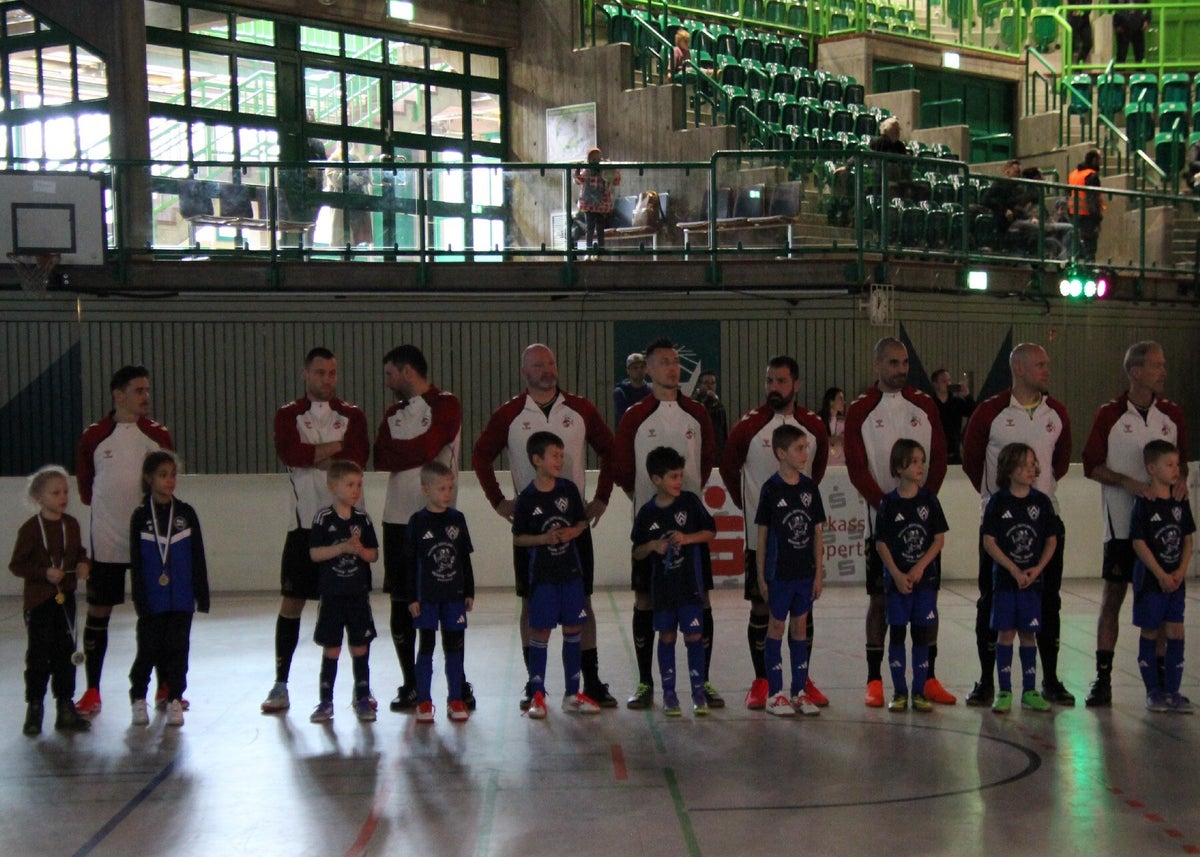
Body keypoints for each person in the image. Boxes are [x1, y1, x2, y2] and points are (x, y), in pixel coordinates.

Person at [472, 343, 617, 710]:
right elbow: (480, 455)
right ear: (525, 372)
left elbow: (611, 450)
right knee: (530, 603)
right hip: (533, 530)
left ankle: (590, 681)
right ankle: (533, 683)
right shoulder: (509, 414)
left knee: (583, 602)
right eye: (538, 365)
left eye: (550, 363)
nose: (547, 369)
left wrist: (602, 496)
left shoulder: (581, 409)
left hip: (574, 526)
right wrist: (498, 500)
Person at [963, 342, 1074, 708]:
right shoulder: (990, 413)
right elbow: (972, 460)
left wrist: (1036, 501)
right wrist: (1000, 503)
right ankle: (987, 682)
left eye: (1047, 363)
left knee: (1048, 602)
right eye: (1040, 364)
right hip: (1000, 528)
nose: (1047, 370)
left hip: (1044, 524)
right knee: (992, 603)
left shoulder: (1057, 413)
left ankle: (1049, 680)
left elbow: (1059, 463)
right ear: (1020, 369)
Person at [844, 337, 952, 708]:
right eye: (893, 362)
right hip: (882, 527)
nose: (901, 369)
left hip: (921, 528)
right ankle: (875, 680)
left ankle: (928, 678)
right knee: (880, 600)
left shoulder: (924, 405)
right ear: (877, 365)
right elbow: (857, 467)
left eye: (905, 362)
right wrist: (889, 508)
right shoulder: (860, 410)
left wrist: (923, 504)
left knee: (927, 601)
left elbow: (939, 457)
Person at [262, 347, 370, 714]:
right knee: (292, 602)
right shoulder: (288, 415)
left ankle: (360, 690)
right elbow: (291, 453)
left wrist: (316, 453)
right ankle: (280, 684)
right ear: (305, 374)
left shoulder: (352, 415)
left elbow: (356, 458)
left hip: (347, 529)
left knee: (351, 607)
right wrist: (334, 450)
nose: (327, 379)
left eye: (332, 373)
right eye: (320, 372)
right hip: (304, 527)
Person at [614, 337, 719, 710]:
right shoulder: (635, 416)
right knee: (645, 600)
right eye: (664, 362)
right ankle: (646, 683)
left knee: (700, 599)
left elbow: (706, 460)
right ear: (648, 369)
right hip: (651, 533)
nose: (672, 368)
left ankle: (703, 682)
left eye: (676, 362)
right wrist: (647, 504)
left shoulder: (698, 414)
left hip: (689, 531)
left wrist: (685, 504)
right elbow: (622, 468)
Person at [719, 356, 829, 710]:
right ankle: (763, 681)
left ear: (796, 384)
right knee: (762, 607)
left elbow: (817, 470)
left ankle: (801, 681)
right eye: (769, 381)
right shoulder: (748, 426)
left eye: (781, 381)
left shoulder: (813, 426)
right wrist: (754, 509)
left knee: (802, 611)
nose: (774, 387)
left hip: (801, 543)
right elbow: (729, 467)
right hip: (763, 542)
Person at [1081, 342, 1187, 707]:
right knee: (1113, 596)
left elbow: (1182, 464)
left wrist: (1181, 482)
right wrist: (1126, 482)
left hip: (1162, 532)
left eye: (1163, 364)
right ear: (1135, 372)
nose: (1163, 371)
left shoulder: (1171, 415)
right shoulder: (1110, 415)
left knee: (1163, 603)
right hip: (1123, 526)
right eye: (1156, 365)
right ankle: (1103, 678)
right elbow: (1091, 465)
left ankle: (1160, 683)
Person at [372, 345, 468, 713]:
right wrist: (411, 453)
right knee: (401, 601)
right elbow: (381, 457)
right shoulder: (392, 413)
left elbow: (430, 447)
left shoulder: (446, 404)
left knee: (446, 599)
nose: (387, 381)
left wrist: (404, 452)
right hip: (398, 518)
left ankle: (457, 684)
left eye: (389, 374)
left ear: (408, 371)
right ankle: (411, 683)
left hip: (440, 519)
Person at [75, 365, 174, 717]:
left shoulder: (158, 436)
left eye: (147, 390)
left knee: (157, 613)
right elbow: (86, 490)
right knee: (99, 611)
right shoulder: (94, 437)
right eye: (138, 390)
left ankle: (164, 686)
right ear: (118, 395)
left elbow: (166, 484)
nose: (146, 396)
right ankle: (92, 691)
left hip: (150, 542)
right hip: (107, 540)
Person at [512, 431, 600, 719]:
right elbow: (519, 538)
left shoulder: (568, 490)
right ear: (537, 459)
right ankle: (538, 696)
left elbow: (581, 523)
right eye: (554, 456)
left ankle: (572, 695)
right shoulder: (527, 498)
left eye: (562, 455)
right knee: (540, 632)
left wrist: (573, 532)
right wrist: (543, 539)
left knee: (573, 629)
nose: (560, 461)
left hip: (570, 575)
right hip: (543, 578)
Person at [633, 445, 717, 717]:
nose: (679, 482)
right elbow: (637, 550)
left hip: (690, 586)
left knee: (694, 635)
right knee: (666, 636)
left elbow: (710, 532)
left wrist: (687, 538)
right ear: (656, 479)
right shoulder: (647, 512)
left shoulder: (690, 503)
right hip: (663, 591)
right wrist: (652, 546)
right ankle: (669, 695)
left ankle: (698, 693)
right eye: (673, 477)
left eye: (681, 476)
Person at [128, 451, 209, 728]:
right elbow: (136, 563)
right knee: (148, 650)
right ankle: (139, 697)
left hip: (182, 599)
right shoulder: (141, 516)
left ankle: (175, 698)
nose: (170, 480)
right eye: (163, 475)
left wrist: (201, 594)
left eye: (173, 474)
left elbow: (197, 555)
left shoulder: (185, 513)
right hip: (153, 600)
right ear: (149, 478)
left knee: (179, 650)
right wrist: (140, 599)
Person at [9, 465, 91, 734]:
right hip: (40, 602)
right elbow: (17, 565)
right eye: (55, 493)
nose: (62, 497)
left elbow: (79, 553)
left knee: (66, 653)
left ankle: (65, 706)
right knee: (39, 655)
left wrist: (83, 564)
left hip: (64, 600)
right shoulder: (31, 529)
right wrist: (44, 572)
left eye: (65, 491)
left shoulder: (71, 525)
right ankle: (34, 708)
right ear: (39, 497)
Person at [754, 426, 826, 717]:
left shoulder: (809, 488)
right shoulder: (771, 489)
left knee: (800, 629)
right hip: (779, 573)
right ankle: (775, 694)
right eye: (799, 448)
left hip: (804, 573)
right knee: (776, 627)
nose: (805, 453)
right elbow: (762, 534)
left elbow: (817, 532)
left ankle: (799, 691)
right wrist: (761, 575)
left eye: (806, 447)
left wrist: (818, 573)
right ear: (781, 453)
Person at [982, 443, 1059, 714]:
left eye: (1033, 464)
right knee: (1006, 633)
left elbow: (1051, 540)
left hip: (1032, 583)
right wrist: (1013, 569)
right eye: (1024, 465)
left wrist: (1037, 569)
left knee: (1029, 634)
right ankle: (1004, 690)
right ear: (1009, 469)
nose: (1031, 469)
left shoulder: (1041, 502)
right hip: (1005, 582)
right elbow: (989, 541)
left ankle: (1029, 690)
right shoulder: (998, 502)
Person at [875, 440, 948, 713]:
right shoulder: (888, 503)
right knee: (897, 634)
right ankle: (899, 691)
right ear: (899, 467)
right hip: (897, 584)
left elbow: (938, 540)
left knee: (921, 635)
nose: (921, 467)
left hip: (924, 583)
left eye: (922, 461)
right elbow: (881, 543)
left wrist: (919, 568)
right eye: (914, 461)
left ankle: (919, 691)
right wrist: (896, 573)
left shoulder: (929, 500)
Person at [307, 460, 379, 724]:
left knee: (360, 647)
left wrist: (360, 550)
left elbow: (373, 555)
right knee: (332, 649)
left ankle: (362, 698)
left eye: (358, 485)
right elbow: (315, 554)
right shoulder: (323, 519)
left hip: (357, 595)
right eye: (349, 485)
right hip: (332, 596)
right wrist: (342, 548)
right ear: (332, 486)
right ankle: (326, 702)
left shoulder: (363, 519)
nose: (355, 490)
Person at [406, 461, 475, 723]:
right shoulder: (417, 522)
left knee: (454, 646)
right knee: (426, 645)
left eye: (450, 488)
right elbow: (409, 564)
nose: (447, 493)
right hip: (427, 598)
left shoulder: (457, 519)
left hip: (453, 597)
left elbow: (464, 559)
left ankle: (455, 698)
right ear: (426, 489)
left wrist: (469, 591)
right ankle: (424, 701)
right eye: (441, 488)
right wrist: (412, 597)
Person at [1130, 440, 1194, 713]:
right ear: (1152, 468)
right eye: (1169, 465)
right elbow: (1139, 543)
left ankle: (1173, 690)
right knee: (1151, 630)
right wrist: (1160, 573)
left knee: (1176, 631)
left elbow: (1188, 539)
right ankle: (1152, 691)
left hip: (1175, 581)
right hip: (1151, 581)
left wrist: (1180, 571)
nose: (1175, 470)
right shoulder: (1144, 504)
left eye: (1177, 464)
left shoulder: (1180, 501)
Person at [573, 146, 620, 253]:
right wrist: (578, 170)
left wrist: (613, 169)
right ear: (588, 161)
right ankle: (589, 248)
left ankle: (601, 248)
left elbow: (615, 180)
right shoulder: (587, 172)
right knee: (590, 227)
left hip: (601, 203)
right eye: (593, 160)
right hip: (589, 203)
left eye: (599, 159)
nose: (597, 162)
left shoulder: (604, 172)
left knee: (600, 227)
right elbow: (579, 180)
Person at [930, 368, 975, 465]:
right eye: (944, 381)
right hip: (933, 454)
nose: (948, 384)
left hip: (954, 454)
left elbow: (974, 413)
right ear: (935, 384)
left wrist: (967, 395)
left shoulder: (956, 402)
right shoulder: (929, 404)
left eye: (949, 380)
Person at [1068, 148, 1104, 262]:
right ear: (1094, 160)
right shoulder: (1091, 176)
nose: (1100, 163)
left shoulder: (1073, 174)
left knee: (1076, 245)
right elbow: (1093, 199)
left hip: (1073, 214)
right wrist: (1097, 220)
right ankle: (1089, 267)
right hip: (1088, 216)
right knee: (1090, 246)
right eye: (1099, 160)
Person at [693, 369, 728, 455]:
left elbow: (723, 432)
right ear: (700, 385)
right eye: (706, 383)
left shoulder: (719, 406)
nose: (709, 386)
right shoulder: (693, 404)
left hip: (716, 451)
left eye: (712, 383)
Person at [613, 352, 651, 425]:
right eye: (635, 368)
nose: (639, 370)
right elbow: (624, 419)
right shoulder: (621, 392)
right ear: (628, 370)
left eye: (642, 367)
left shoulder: (652, 391)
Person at [818, 387, 846, 465]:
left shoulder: (843, 421)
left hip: (840, 461)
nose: (843, 402)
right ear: (831, 402)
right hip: (825, 461)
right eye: (840, 399)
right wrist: (832, 439)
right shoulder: (818, 420)